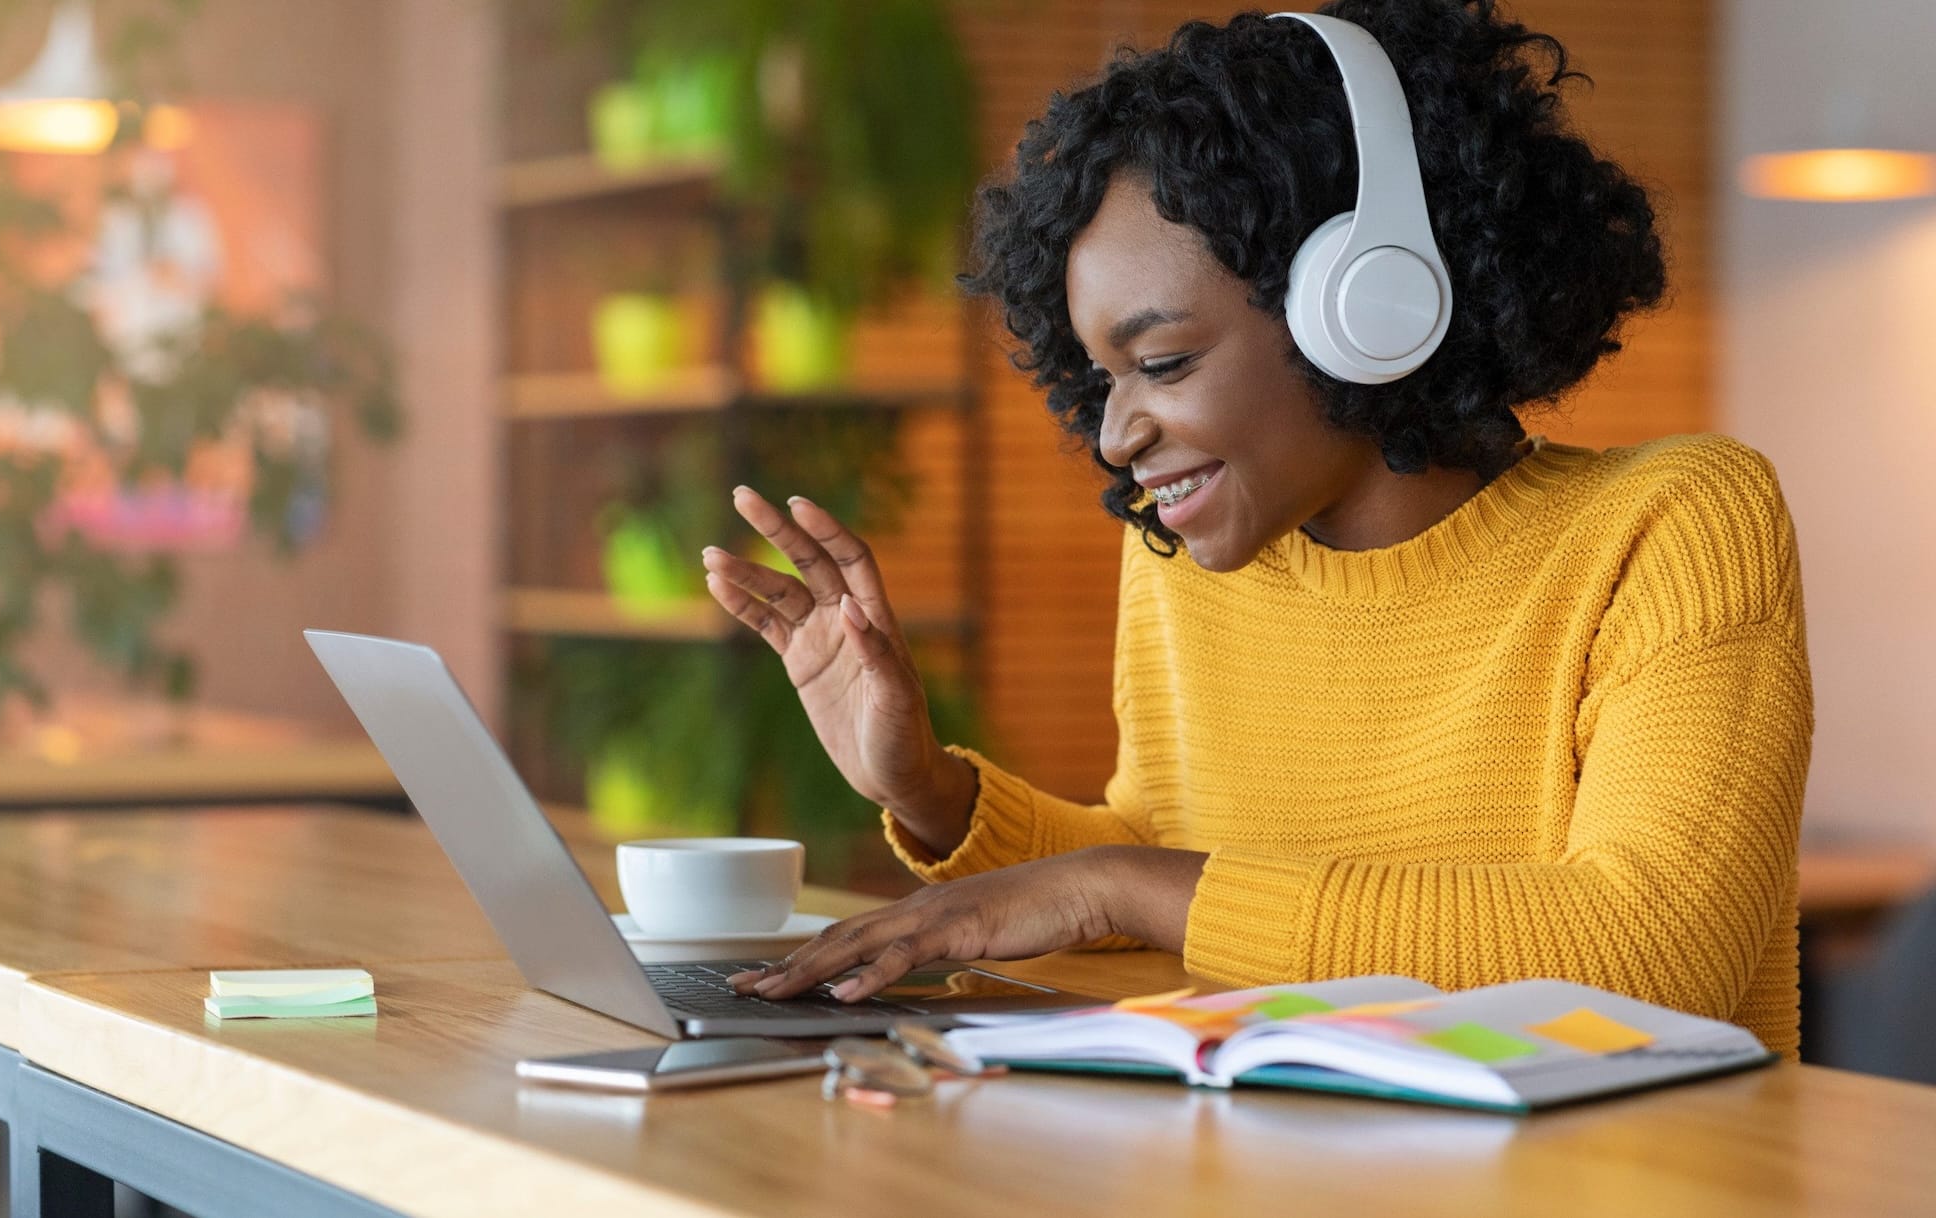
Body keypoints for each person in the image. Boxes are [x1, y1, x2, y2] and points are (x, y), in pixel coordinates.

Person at [699, 0, 1812, 1055]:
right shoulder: (1191, 563)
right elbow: (1165, 865)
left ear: (1368, 304)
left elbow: (1653, 957)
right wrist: (928, 792)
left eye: (1163, 363)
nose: (1116, 436)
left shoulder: (1671, 525)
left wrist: (1116, 886)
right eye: (1101, 379)